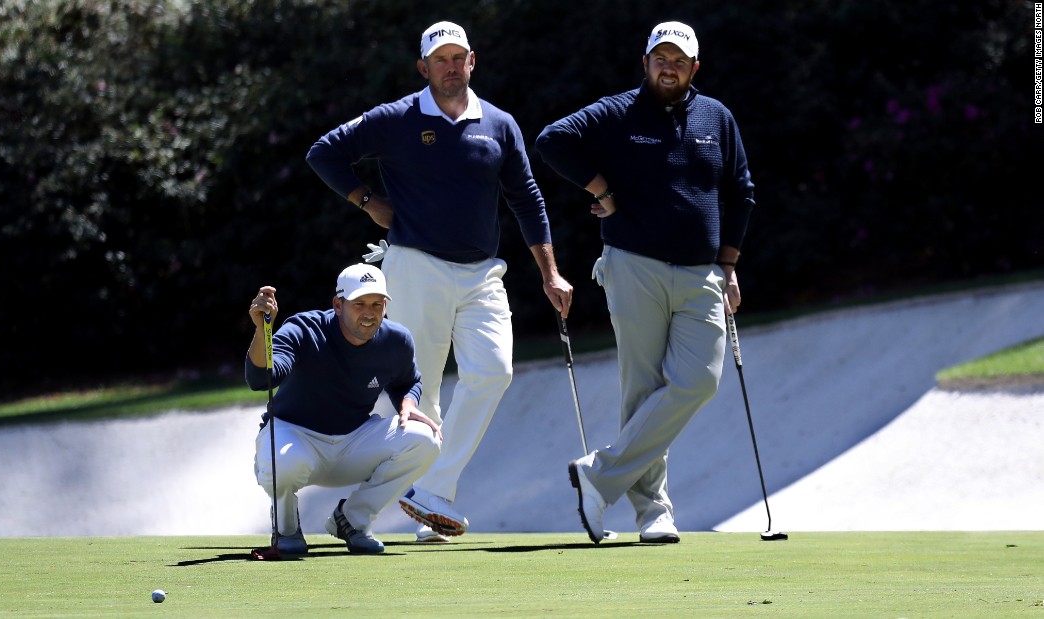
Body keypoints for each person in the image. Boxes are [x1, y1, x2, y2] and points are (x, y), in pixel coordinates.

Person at [306, 21, 573, 542]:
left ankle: (432, 491)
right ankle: (408, 508)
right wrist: (366, 201)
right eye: (440, 59)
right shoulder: (395, 118)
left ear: (472, 61)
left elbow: (528, 200)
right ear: (423, 68)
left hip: (482, 273)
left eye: (459, 58)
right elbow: (324, 152)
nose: (451, 67)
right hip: (416, 266)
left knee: (494, 372)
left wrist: (551, 272)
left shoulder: (499, 124)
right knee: (419, 394)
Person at [534, 21, 756, 544]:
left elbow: (740, 191)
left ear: (694, 68)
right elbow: (552, 140)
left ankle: (599, 475)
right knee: (643, 389)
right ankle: (653, 513)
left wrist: (728, 265)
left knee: (699, 379)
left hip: (702, 272)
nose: (668, 65)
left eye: (679, 59)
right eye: (660, 56)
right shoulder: (617, 111)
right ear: (646, 62)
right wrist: (601, 189)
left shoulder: (716, 117)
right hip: (634, 264)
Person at [245, 264, 442, 554]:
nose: (369, 313)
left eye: (377, 304)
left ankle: (352, 520)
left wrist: (408, 403)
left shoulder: (396, 340)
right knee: (283, 462)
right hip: (295, 438)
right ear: (338, 304)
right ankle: (286, 529)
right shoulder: (304, 329)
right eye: (359, 304)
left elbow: (408, 381)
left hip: (353, 442)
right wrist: (263, 331)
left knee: (426, 438)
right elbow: (261, 378)